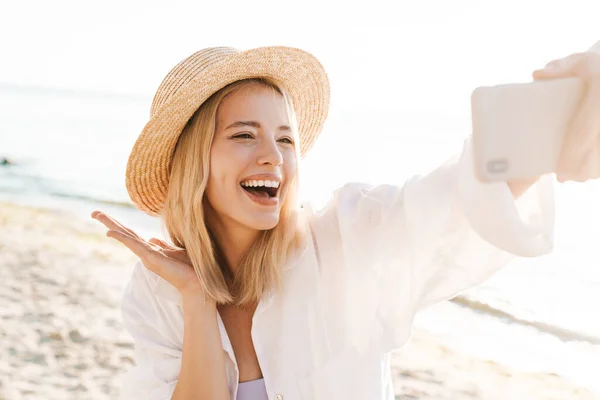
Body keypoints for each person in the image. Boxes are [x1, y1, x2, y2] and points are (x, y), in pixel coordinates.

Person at [92, 43, 600, 400]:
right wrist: (198, 300)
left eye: (286, 139)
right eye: (244, 135)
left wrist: (557, 125)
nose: (274, 157)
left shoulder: (346, 239)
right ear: (194, 164)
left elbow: (445, 204)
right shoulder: (159, 291)